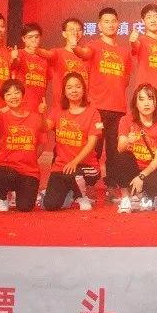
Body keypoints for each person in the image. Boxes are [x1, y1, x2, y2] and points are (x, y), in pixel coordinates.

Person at [72, 7, 132, 184]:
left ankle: (112, 184)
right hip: (97, 108)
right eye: (106, 21)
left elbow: (126, 79)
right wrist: (74, 46)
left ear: (118, 24)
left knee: (114, 150)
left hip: (118, 109)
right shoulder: (94, 45)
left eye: (113, 21)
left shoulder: (125, 52)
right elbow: (84, 54)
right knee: (94, 148)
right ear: (99, 25)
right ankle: (87, 184)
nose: (110, 24)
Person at [0, 79, 45, 212]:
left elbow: (43, 139)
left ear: (22, 95)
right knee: (8, 175)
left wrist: (42, 114)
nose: (13, 97)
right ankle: (3, 196)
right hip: (5, 167)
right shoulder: (2, 116)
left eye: (16, 93)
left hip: (29, 171)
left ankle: (19, 191)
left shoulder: (35, 118)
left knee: (25, 207)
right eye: (8, 94)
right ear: (4, 99)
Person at [42, 72, 102, 211]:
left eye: (77, 87)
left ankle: (82, 196)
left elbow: (92, 143)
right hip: (62, 166)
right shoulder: (58, 110)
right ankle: (70, 192)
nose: (74, 90)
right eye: (69, 87)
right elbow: (44, 127)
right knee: (50, 205)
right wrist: (42, 114)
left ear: (84, 89)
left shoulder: (93, 112)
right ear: (64, 91)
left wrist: (74, 162)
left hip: (87, 166)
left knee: (73, 174)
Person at [113, 84, 157, 213]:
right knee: (121, 158)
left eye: (150, 99)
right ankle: (126, 198)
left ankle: (146, 196)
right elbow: (120, 149)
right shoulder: (126, 121)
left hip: (150, 169)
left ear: (156, 103)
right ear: (136, 103)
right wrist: (128, 140)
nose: (146, 103)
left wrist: (141, 176)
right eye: (142, 99)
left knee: (155, 181)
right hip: (132, 167)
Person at [130, 3, 157, 102]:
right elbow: (135, 46)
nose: (153, 20)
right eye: (149, 17)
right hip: (146, 99)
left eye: (156, 17)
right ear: (143, 20)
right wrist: (133, 41)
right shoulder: (141, 41)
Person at [10, 22, 49, 114]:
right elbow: (13, 65)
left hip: (39, 108)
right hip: (20, 108)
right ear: (23, 39)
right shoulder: (19, 53)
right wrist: (14, 58)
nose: (33, 40)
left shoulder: (45, 59)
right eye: (30, 37)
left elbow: (46, 83)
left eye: (36, 37)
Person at [43, 17, 90, 87]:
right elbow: (46, 54)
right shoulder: (57, 53)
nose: (75, 33)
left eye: (78, 30)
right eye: (71, 30)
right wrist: (35, 49)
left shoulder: (87, 55)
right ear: (64, 34)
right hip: (62, 94)